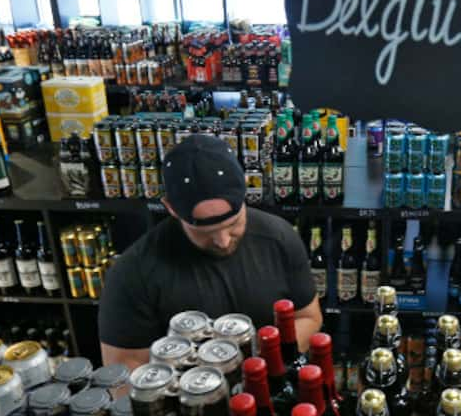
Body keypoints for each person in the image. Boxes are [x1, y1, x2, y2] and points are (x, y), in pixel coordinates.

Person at [100, 134, 323, 370]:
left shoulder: (279, 237)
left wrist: (259, 369)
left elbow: (308, 317)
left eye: (234, 224)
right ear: (170, 208)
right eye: (205, 232)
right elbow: (124, 368)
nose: (223, 241)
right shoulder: (133, 273)